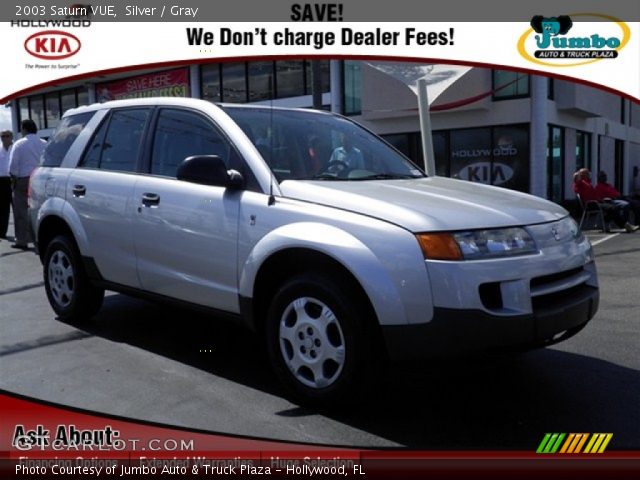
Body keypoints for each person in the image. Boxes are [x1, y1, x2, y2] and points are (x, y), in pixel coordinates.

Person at [8, 119, 46, 249]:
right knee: (39, 209)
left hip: (23, 179)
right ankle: (39, 240)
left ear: (24, 129)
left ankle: (22, 240)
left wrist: (14, 177)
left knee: (20, 211)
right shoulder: (44, 143)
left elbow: (13, 165)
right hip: (40, 178)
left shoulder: (19, 144)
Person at [573, 168, 637, 233]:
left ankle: (607, 222)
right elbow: (576, 179)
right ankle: (625, 225)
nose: (589, 174)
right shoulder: (581, 183)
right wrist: (578, 174)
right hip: (591, 204)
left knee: (614, 207)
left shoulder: (588, 183)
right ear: (583, 175)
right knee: (612, 208)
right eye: (587, 173)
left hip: (598, 202)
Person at [0, 130, 13, 239]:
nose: (4, 138)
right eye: (2, 136)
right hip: (2, 181)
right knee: (3, 208)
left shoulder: (16, 148)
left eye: (7, 136)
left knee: (18, 208)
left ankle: (22, 235)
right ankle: (2, 232)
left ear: (11, 137)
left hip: (14, 179)